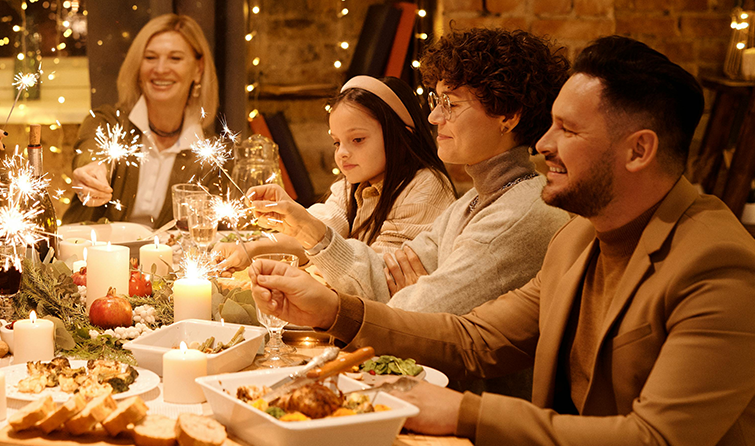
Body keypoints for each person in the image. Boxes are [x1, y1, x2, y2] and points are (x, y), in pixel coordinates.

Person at [249, 36, 755, 445]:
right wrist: (331, 309)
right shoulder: (580, 236)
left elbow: (656, 438)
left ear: (639, 150)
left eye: (567, 130)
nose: (543, 144)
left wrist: (466, 412)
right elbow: (475, 338)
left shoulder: (718, 264)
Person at [251, 28, 570, 315]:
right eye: (436, 101)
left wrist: (398, 293)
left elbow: (411, 315)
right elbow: (381, 279)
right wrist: (308, 229)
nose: (433, 117)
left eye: (451, 104)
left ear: (509, 115)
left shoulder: (516, 214)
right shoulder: (474, 200)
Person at [213, 75, 455, 270]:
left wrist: (305, 228)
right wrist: (251, 249)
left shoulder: (425, 186)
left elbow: (379, 272)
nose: (342, 154)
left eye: (357, 139)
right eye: (337, 142)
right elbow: (320, 231)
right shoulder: (352, 185)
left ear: (402, 137)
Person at [63, 13, 222, 227]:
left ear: (198, 69)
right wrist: (92, 172)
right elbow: (92, 152)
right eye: (150, 58)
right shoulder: (107, 122)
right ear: (138, 68)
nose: (160, 69)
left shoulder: (210, 156)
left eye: (175, 58)